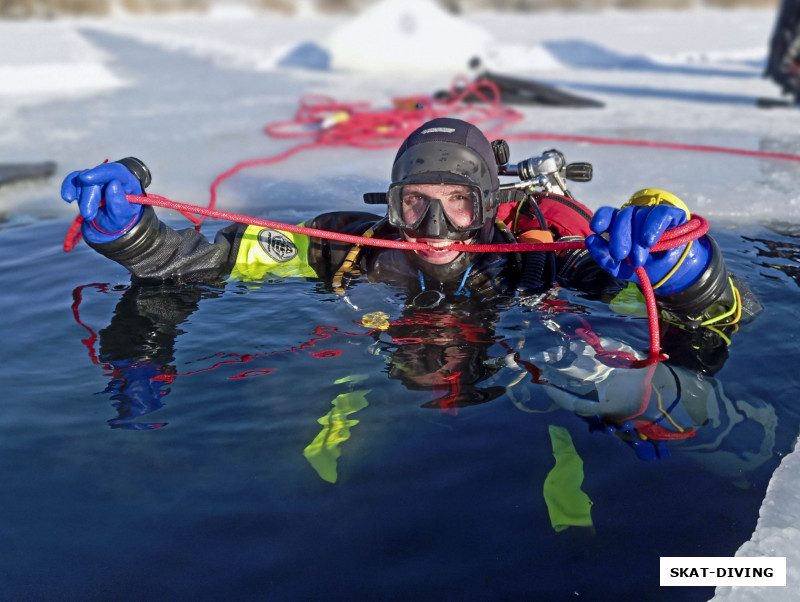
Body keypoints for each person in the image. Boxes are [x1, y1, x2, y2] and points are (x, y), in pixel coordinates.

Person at [61, 117, 768, 475]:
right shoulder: (358, 250)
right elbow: (203, 263)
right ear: (391, 203)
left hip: (523, 413)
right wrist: (132, 236)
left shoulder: (543, 263)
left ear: (487, 203)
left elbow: (714, 322)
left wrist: (688, 274)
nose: (433, 228)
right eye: (415, 204)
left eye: (458, 204)